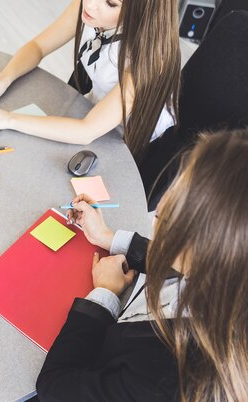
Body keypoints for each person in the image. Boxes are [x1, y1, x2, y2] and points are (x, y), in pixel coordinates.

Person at [36, 129, 248, 401]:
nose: (161, 203)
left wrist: (104, 296)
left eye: (180, 198)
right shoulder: (228, 276)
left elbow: (54, 387)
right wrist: (107, 237)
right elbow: (186, 265)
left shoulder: (165, 377)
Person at [0, 0, 181, 163]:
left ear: (140, 10)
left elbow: (87, 131)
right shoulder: (86, 7)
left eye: (110, 2)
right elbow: (38, 46)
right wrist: (4, 78)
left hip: (131, 134)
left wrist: (8, 119)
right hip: (94, 108)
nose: (91, 2)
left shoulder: (149, 57)